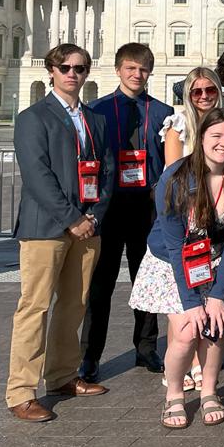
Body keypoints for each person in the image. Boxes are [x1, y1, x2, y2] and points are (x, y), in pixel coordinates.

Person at [6, 44, 113, 422]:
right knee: (34, 308)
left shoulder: (94, 119)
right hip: (46, 227)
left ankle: (63, 375)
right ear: (52, 70)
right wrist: (72, 218)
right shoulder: (33, 117)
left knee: (74, 304)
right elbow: (37, 176)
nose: (73, 74)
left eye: (80, 68)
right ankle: (21, 390)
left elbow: (107, 172)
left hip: (87, 227)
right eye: (65, 67)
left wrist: (95, 217)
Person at [128, 108, 224, 429]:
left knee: (213, 329)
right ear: (202, 137)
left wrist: (219, 295)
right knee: (185, 332)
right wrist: (193, 302)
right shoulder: (175, 177)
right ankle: (175, 396)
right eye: (217, 136)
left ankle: (209, 391)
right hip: (173, 263)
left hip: (216, 261)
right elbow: (174, 244)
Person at [80, 42, 172, 383]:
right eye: (131, 68)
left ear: (150, 72)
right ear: (119, 70)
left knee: (145, 279)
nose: (137, 75)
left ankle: (146, 346)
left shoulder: (161, 113)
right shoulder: (99, 109)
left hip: (146, 205)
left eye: (143, 69)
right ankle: (90, 354)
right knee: (100, 284)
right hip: (110, 203)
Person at [162, 67, 223, 165]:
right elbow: (172, 172)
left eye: (210, 90)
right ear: (188, 95)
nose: (204, 96)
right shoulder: (179, 124)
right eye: (197, 92)